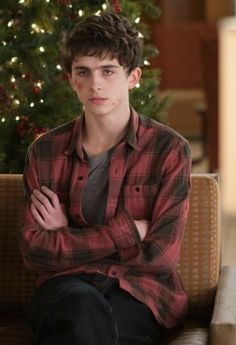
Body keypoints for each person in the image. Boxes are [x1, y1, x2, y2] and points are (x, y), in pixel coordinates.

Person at [19, 11, 191, 345]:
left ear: (133, 76)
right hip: (65, 289)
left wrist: (66, 235)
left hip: (138, 292)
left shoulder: (169, 150)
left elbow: (161, 255)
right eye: (84, 72)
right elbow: (34, 253)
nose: (95, 83)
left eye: (108, 71)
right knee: (81, 307)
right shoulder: (44, 152)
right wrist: (125, 233)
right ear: (72, 79)